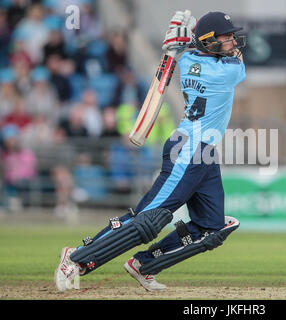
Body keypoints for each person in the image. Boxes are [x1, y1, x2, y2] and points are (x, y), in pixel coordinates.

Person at [54, 10, 246, 292]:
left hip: (203, 151)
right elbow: (238, 63)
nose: (232, 41)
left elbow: (189, 51)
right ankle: (76, 258)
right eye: (226, 37)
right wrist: (187, 38)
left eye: (231, 36)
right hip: (189, 150)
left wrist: (180, 44)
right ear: (208, 41)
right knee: (149, 217)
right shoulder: (225, 71)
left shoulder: (188, 59)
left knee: (212, 227)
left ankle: (144, 264)